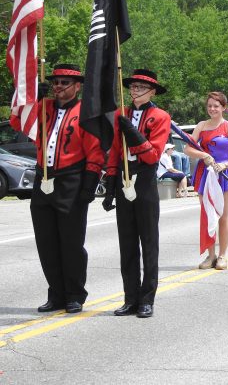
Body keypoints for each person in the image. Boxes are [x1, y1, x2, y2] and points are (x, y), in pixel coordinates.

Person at [31, 64, 104, 314]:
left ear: (77, 86)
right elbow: (23, 122)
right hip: (43, 180)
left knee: (71, 243)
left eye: (64, 82)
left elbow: (95, 150)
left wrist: (89, 186)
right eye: (56, 82)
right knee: (46, 243)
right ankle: (56, 294)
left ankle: (75, 294)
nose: (58, 86)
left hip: (71, 181)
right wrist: (34, 97)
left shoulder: (86, 112)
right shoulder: (43, 107)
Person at [103, 69, 171, 318]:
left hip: (144, 180)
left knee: (149, 243)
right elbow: (113, 150)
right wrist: (110, 187)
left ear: (152, 91)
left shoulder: (160, 116)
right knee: (127, 244)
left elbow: (153, 154)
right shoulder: (122, 112)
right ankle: (130, 298)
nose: (134, 91)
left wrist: (130, 132)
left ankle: (147, 299)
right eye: (132, 87)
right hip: (123, 178)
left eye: (140, 88)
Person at [185, 92, 228, 269]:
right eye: (209, 106)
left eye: (216, 106)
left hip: (224, 174)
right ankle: (210, 256)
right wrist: (203, 154)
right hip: (204, 173)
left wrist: (227, 164)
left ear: (223, 107)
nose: (212, 109)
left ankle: (222, 256)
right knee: (207, 214)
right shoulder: (201, 126)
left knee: (223, 215)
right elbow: (188, 149)